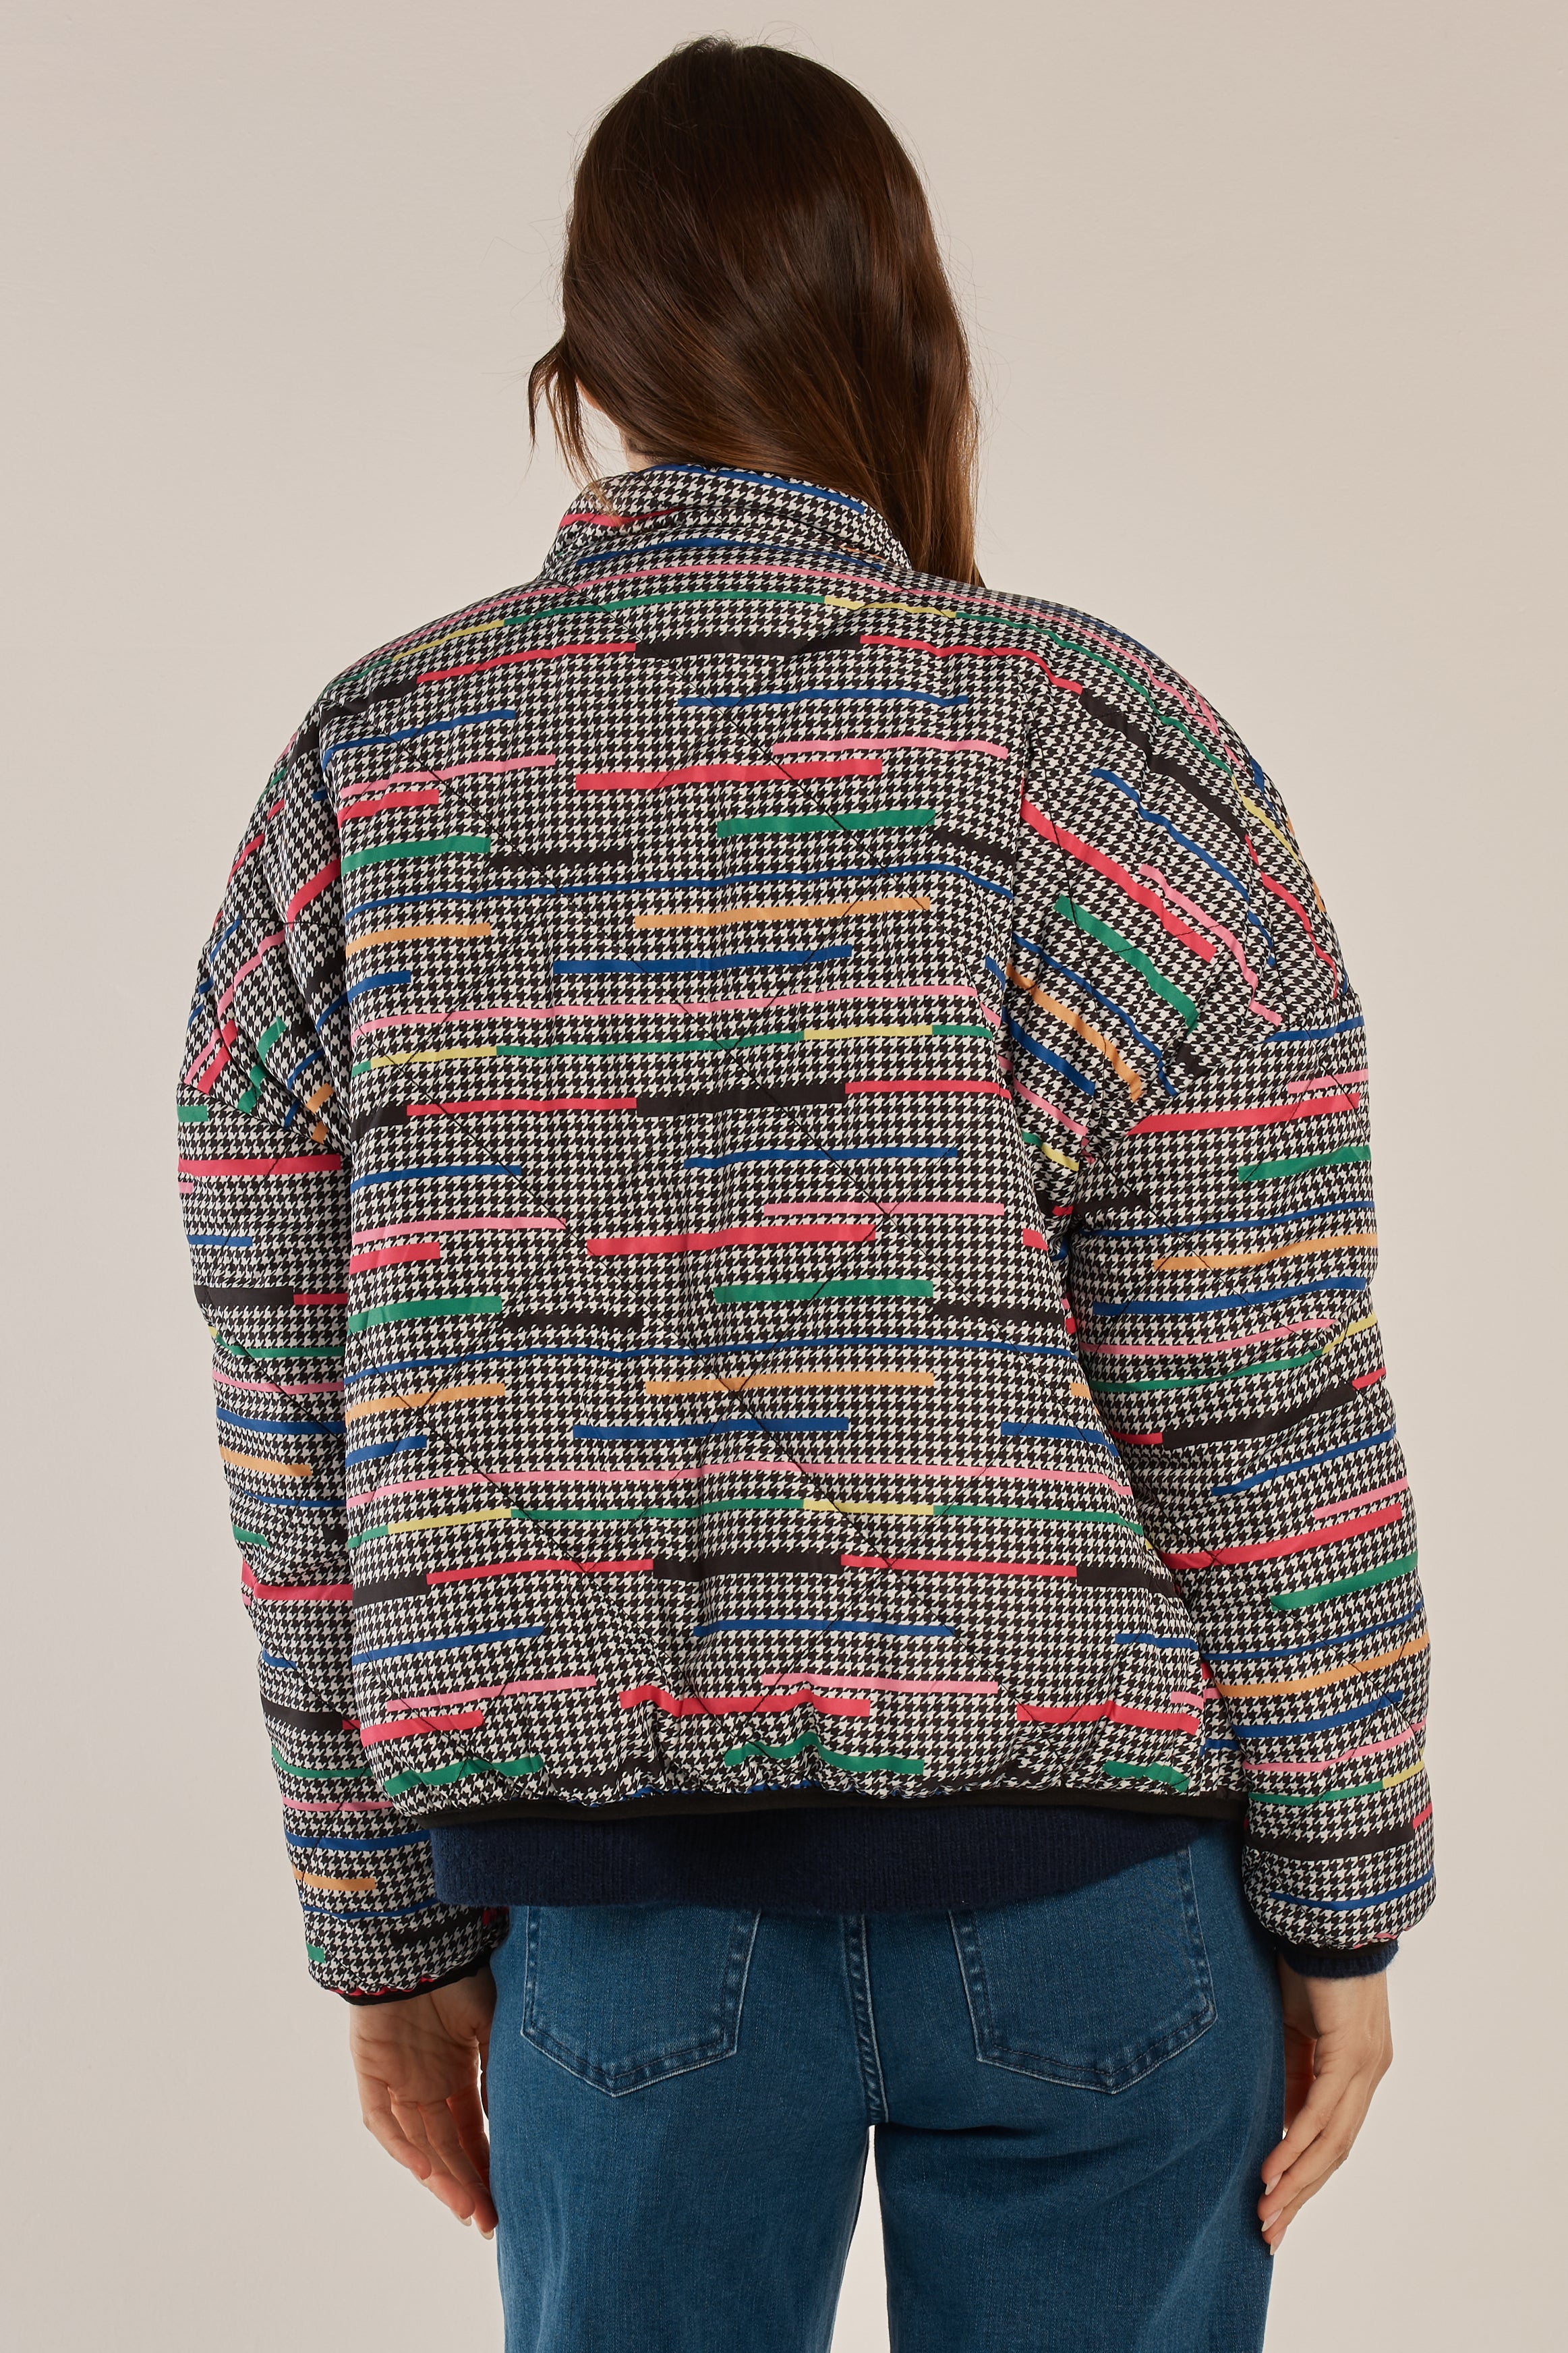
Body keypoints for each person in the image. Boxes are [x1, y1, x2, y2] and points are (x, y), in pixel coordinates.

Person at [175, 36, 1430, 2353]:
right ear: (906, 338)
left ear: (587, 372)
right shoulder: (1095, 744)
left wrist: (384, 1933)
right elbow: (1265, 1387)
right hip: (1098, 1907)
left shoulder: (371, 770)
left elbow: (292, 1403)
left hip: (624, 1935)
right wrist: (1344, 1903)